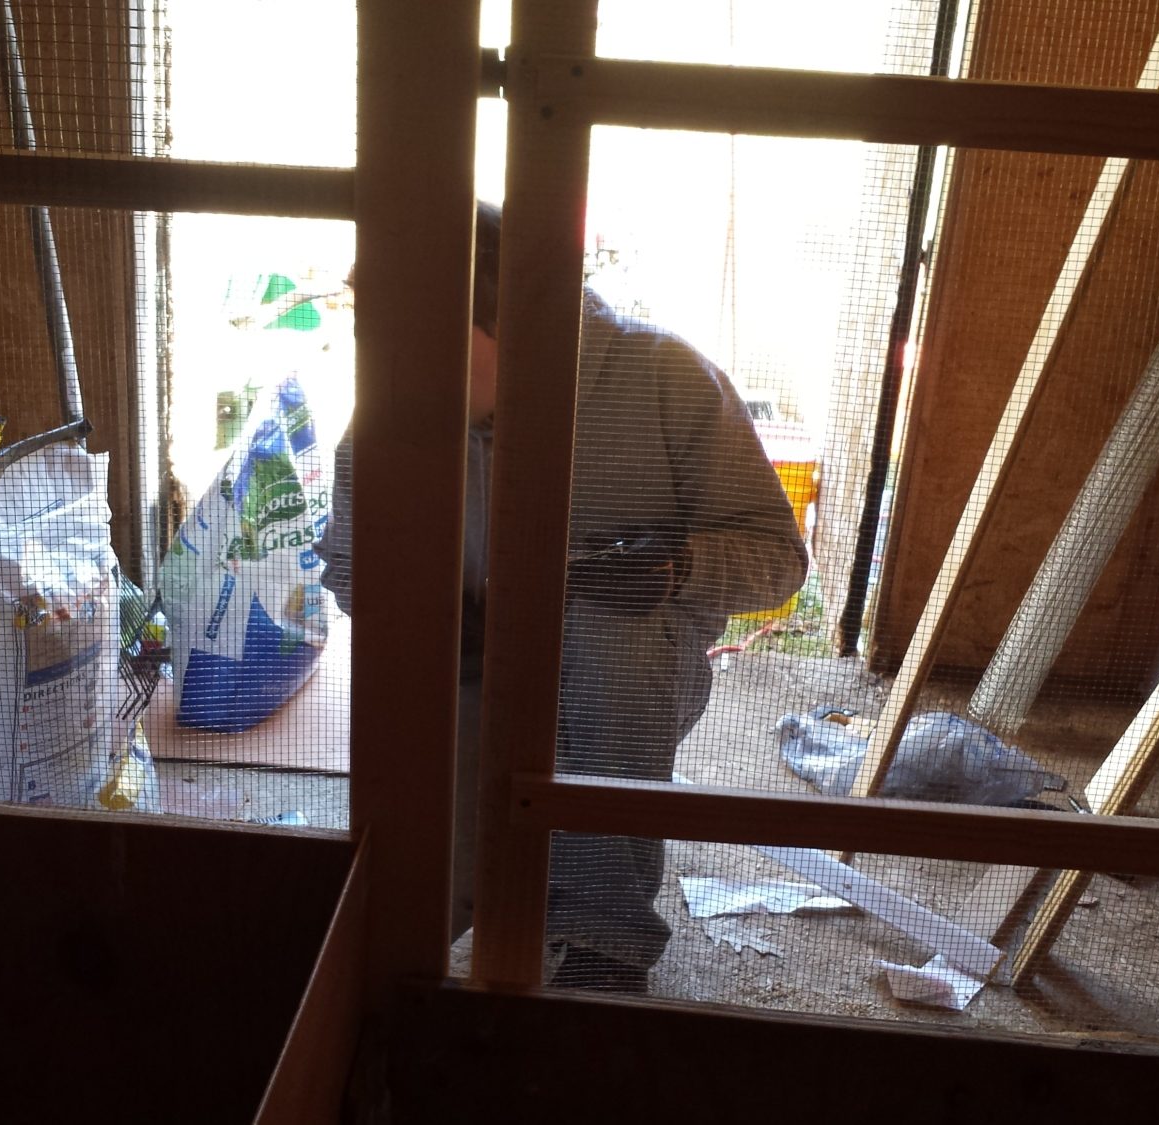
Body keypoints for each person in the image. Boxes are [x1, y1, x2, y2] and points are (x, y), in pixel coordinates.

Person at [318, 201, 806, 992]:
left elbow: (780, 559)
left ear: (510, 321)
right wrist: (425, 617)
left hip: (629, 674)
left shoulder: (667, 379)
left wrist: (675, 566)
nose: (400, 371)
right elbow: (349, 566)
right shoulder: (395, 409)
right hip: (471, 669)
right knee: (434, 890)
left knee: (611, 645)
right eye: (379, 344)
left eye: (424, 346)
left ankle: (604, 937)